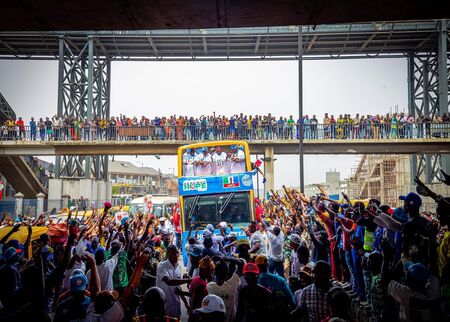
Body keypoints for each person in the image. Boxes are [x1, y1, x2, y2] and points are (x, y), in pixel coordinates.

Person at [156, 245, 192, 319]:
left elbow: (178, 286)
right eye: (174, 253)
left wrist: (186, 304)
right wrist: (188, 280)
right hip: (165, 309)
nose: (176, 255)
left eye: (177, 253)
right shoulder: (162, 266)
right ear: (168, 254)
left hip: (176, 307)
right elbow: (169, 281)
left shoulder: (178, 267)